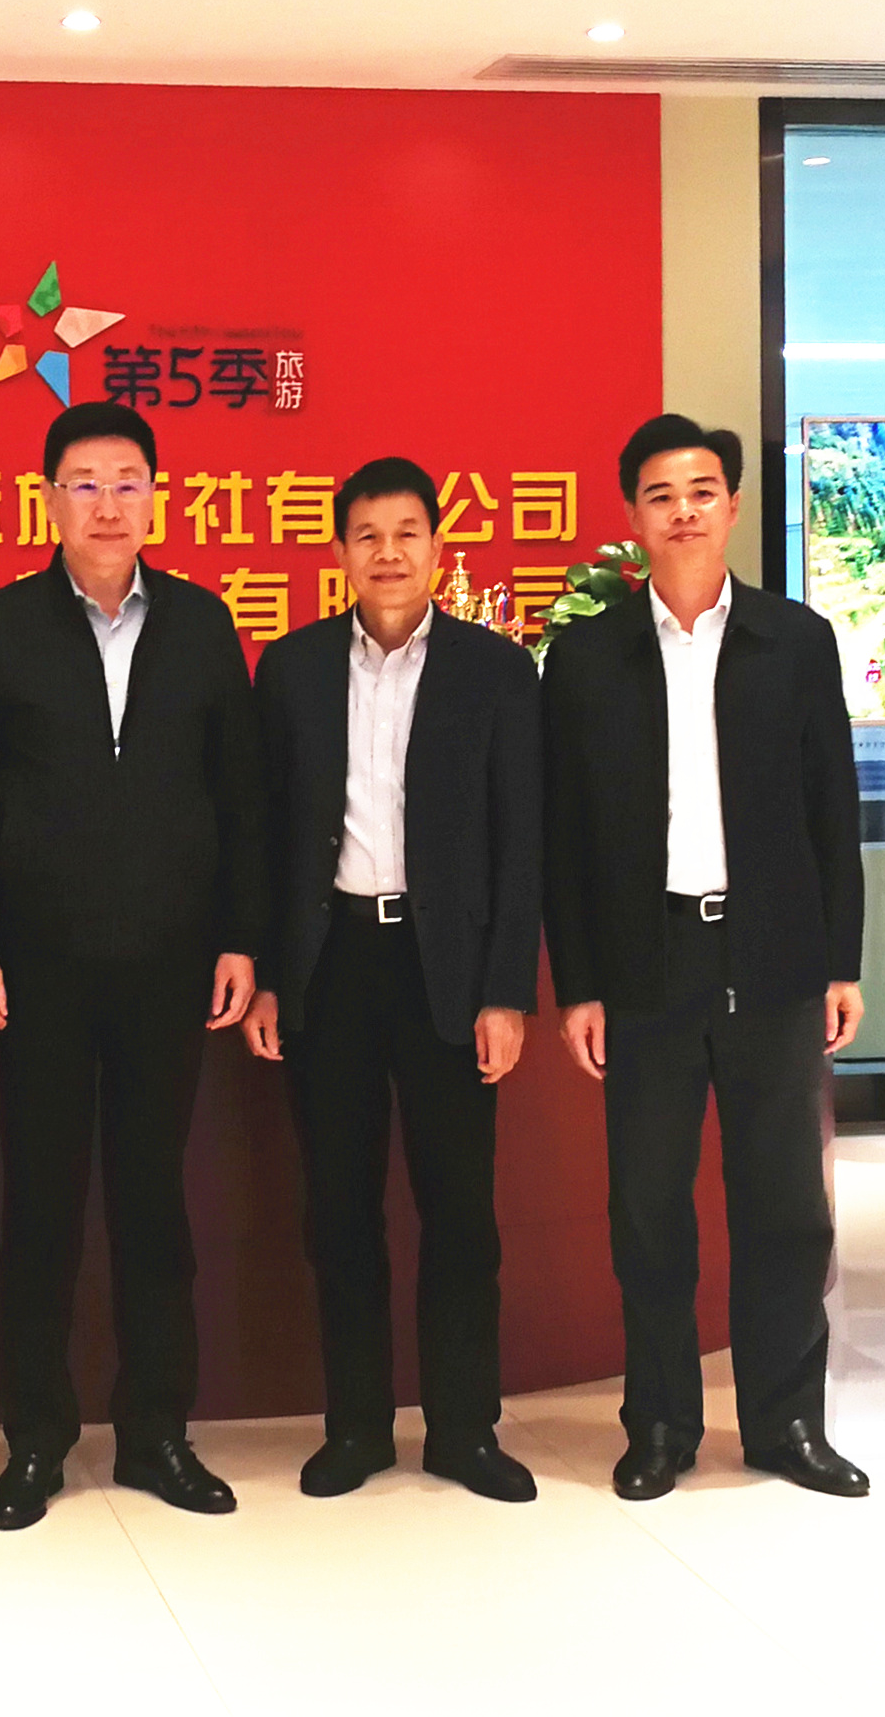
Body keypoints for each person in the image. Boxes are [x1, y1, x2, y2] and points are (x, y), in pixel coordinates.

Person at [0, 399, 267, 1531]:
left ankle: (156, 1432)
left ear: (157, 499)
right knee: (40, 1207)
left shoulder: (205, 624)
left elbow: (240, 800)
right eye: (84, 483)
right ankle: (35, 1439)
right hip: (37, 974)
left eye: (128, 482)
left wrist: (240, 937)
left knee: (152, 1204)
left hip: (171, 968)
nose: (108, 503)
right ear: (49, 500)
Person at [542, 413, 871, 1502]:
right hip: (647, 961)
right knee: (648, 1206)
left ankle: (786, 1423)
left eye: (700, 492)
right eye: (659, 495)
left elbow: (834, 809)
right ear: (632, 517)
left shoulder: (795, 640)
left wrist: (840, 962)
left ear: (731, 505)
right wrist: (579, 984)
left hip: (772, 954)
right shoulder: (588, 655)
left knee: (786, 1205)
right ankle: (660, 1426)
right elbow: (565, 837)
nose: (682, 511)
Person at [244, 457, 543, 1503]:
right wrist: (271, 976)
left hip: (445, 969)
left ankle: (465, 1429)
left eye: (407, 533)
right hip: (331, 967)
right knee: (340, 1210)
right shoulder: (291, 668)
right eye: (367, 535)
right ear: (340, 552)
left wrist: (506, 991)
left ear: (437, 547)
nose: (388, 554)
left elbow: (522, 842)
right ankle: (357, 1428)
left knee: (460, 1212)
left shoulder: (495, 671)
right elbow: (267, 836)